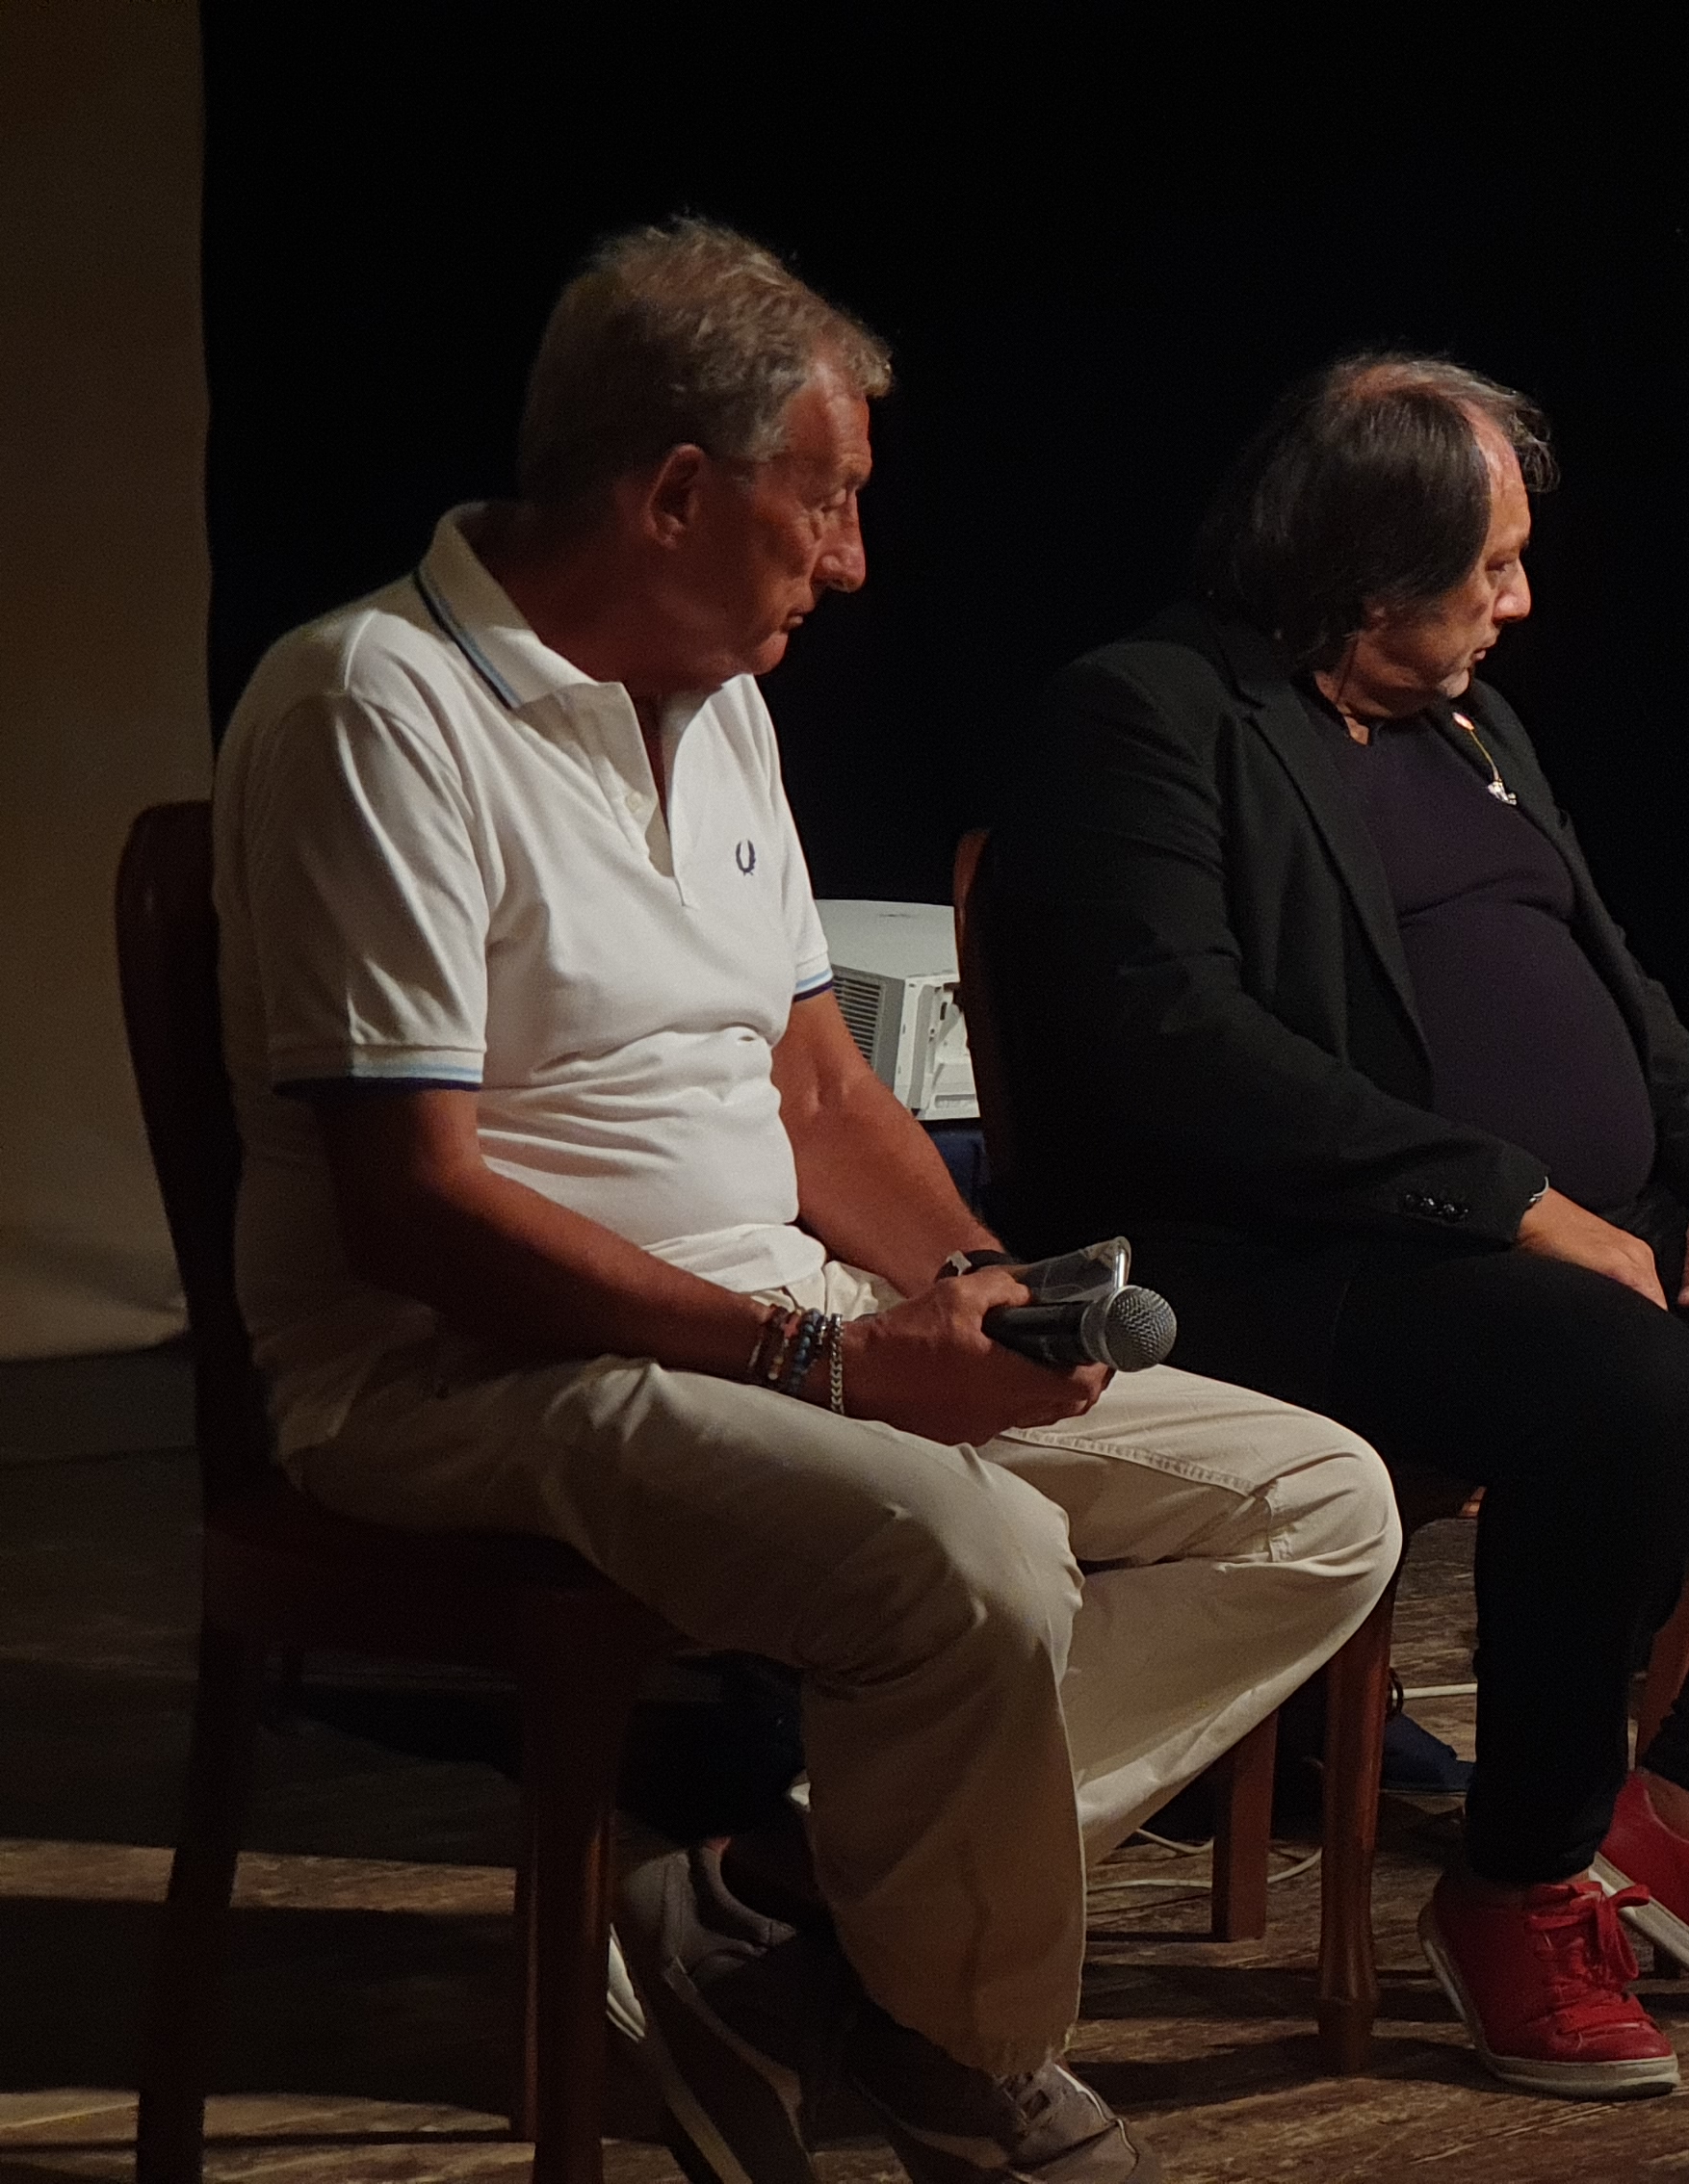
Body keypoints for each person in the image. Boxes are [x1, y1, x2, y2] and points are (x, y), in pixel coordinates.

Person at [209, 221, 1401, 2184]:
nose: (851, 561)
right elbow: (413, 1212)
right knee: (976, 1563)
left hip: (763, 1317)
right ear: (677, 494)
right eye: (825, 501)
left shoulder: (722, 697)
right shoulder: (378, 703)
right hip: (462, 1371)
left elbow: (821, 1088)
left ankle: (769, 1903)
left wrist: (985, 1295)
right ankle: (961, 2058)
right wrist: (834, 1367)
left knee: (1318, 1503)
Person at [977, 354, 1689, 2100]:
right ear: (1361, 568)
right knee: (1624, 1386)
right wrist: (1511, 1202)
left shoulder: (1476, 730)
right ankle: (1521, 1883)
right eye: (1490, 568)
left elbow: (1622, 991)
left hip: (1575, 1230)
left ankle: (1688, 1817)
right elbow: (1178, 1047)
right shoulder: (1152, 712)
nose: (1522, 602)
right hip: (1299, 1251)